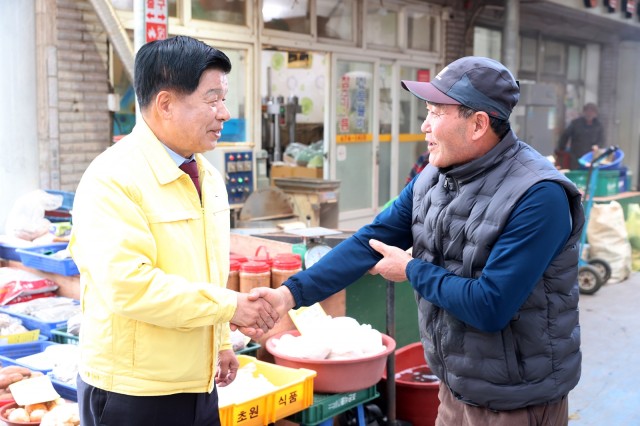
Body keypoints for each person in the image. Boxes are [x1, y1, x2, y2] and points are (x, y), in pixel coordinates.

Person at [251, 57, 585, 425]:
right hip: (454, 387)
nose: (424, 126)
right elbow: (370, 241)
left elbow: (491, 306)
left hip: (518, 401)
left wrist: (410, 269)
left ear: (477, 124)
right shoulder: (433, 177)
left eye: (436, 113)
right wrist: (288, 295)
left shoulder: (538, 196)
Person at [68, 36, 278, 426]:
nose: (224, 113)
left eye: (223, 98)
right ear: (165, 104)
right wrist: (232, 306)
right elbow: (129, 286)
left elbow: (205, 272)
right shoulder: (112, 179)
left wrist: (218, 344)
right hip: (133, 392)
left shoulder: (209, 177)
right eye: (212, 99)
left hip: (198, 385)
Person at [556, 102, 605, 169]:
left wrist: (597, 146)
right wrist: (561, 148)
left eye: (592, 111)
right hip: (576, 156)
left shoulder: (598, 125)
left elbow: (601, 140)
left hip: (590, 156)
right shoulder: (576, 123)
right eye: (587, 111)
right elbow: (565, 135)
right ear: (584, 112)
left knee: (589, 174)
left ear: (595, 114)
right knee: (576, 173)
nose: (589, 113)